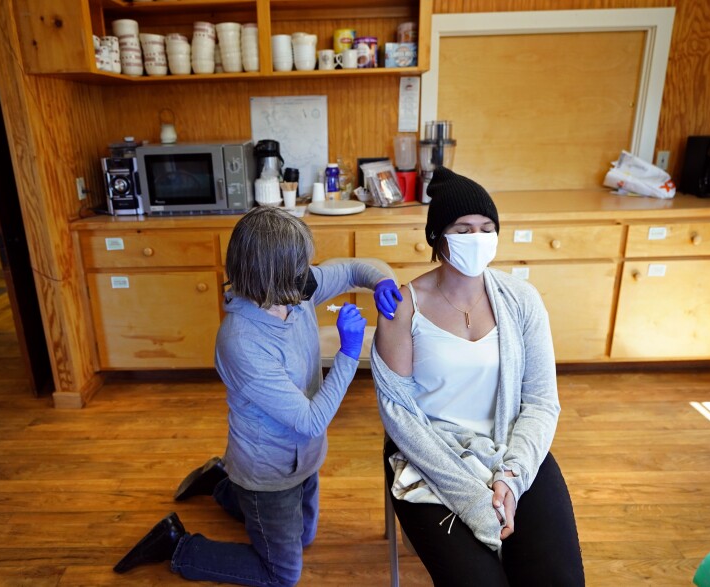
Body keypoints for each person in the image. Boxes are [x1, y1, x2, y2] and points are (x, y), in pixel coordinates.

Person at [114, 206, 402, 585]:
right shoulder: (242, 342)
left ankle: (221, 482)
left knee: (305, 537)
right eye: (300, 266)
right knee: (283, 574)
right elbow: (311, 420)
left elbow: (353, 269)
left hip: (304, 459)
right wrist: (349, 352)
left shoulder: (292, 291)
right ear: (271, 274)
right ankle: (177, 545)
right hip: (268, 472)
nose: (309, 273)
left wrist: (381, 280)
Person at [372, 167, 585, 586]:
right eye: (463, 229)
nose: (478, 238)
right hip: (431, 459)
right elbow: (400, 419)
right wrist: (473, 500)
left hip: (511, 445)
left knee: (559, 579)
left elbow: (542, 402)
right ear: (438, 237)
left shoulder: (521, 300)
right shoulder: (403, 308)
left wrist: (510, 476)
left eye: (487, 228)